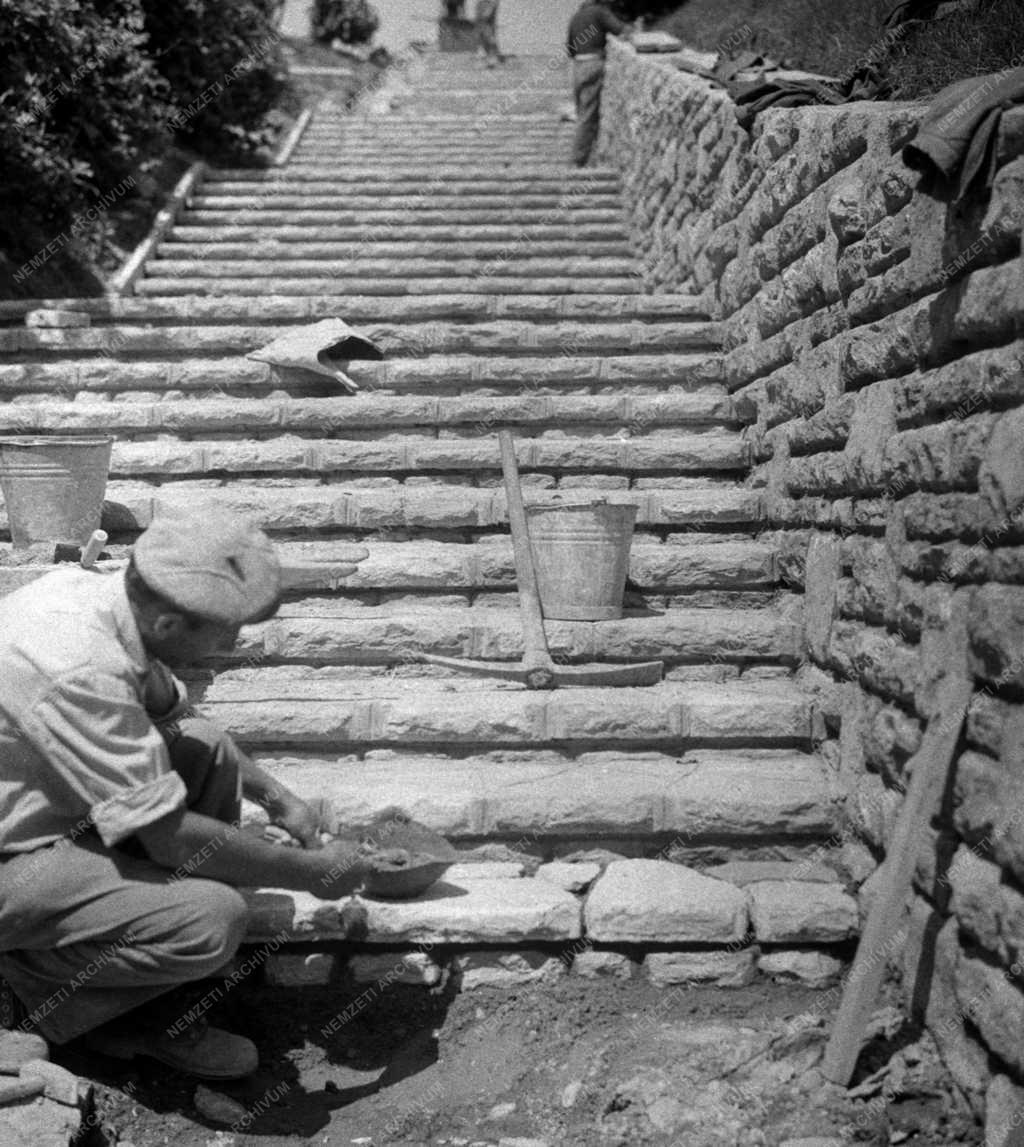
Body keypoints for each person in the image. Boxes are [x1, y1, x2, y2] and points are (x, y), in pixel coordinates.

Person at [0, 506, 399, 1079]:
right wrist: (315, 874)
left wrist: (278, 798)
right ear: (168, 625)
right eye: (226, 629)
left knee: (203, 746)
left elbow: (176, 715)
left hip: (42, 814)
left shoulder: (105, 603)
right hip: (14, 862)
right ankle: (45, 999)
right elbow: (169, 838)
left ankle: (151, 989)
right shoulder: (81, 666)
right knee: (211, 919)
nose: (234, 643)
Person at [567, 0, 632, 167]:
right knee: (588, 116)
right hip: (593, 63)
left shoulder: (576, 16)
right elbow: (620, 30)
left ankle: (584, 156)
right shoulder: (599, 12)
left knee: (581, 111)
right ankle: (578, 160)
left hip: (577, 66)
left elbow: (570, 48)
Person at [475, 0, 502, 68]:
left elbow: (486, 15)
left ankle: (491, 60)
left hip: (487, 27)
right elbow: (483, 15)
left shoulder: (488, 4)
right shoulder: (481, 4)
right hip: (483, 27)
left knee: (490, 43)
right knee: (486, 44)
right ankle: (489, 60)